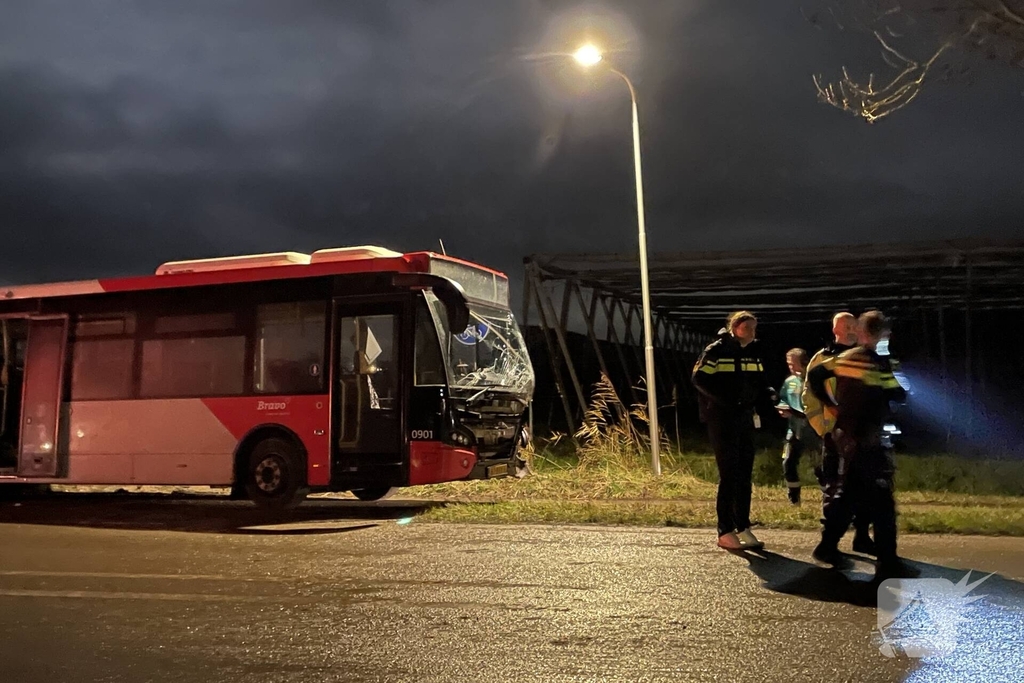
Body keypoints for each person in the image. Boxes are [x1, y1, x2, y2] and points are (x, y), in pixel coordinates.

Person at [808, 310, 912, 577]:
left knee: (850, 495)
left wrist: (832, 404)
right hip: (867, 439)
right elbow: (899, 395)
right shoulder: (877, 363)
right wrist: (896, 374)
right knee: (882, 501)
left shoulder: (847, 357)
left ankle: (827, 546)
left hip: (848, 436)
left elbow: (816, 375)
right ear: (880, 334)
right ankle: (887, 561)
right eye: (886, 334)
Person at [692, 311, 777, 551]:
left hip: (744, 417)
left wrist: (770, 395)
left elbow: (759, 380)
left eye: (754, 328)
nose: (752, 332)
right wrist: (725, 401)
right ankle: (725, 531)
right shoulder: (717, 350)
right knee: (729, 474)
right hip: (722, 419)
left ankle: (742, 525)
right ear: (734, 327)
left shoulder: (753, 351)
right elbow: (699, 379)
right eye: (747, 328)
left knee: (744, 474)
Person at [803, 312, 875, 555]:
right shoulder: (823, 358)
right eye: (848, 326)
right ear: (836, 330)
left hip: (859, 431)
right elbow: (809, 395)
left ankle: (861, 536)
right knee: (833, 484)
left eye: (855, 325)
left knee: (863, 485)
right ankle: (829, 542)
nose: (854, 329)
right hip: (834, 432)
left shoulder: (860, 356)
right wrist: (823, 425)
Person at [777, 348, 813, 505]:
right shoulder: (789, 381)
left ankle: (829, 499)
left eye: (793, 363)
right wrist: (782, 408)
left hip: (812, 429)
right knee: (788, 462)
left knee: (818, 466)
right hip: (793, 429)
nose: (790, 366)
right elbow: (783, 398)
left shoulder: (811, 380)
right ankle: (794, 499)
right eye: (788, 364)